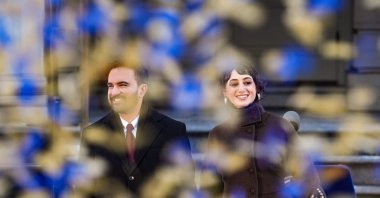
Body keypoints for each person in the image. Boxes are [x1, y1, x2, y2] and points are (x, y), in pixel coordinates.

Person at [202, 64, 325, 198]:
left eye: (247, 82)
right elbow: (210, 185)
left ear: (256, 87)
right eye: (234, 84)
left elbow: (307, 179)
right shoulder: (218, 133)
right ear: (224, 91)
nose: (241, 89)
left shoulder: (280, 126)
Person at [79, 60, 194, 197]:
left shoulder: (173, 130)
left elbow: (186, 182)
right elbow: (85, 187)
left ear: (142, 90)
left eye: (122, 85)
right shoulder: (92, 133)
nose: (114, 92)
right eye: (110, 86)